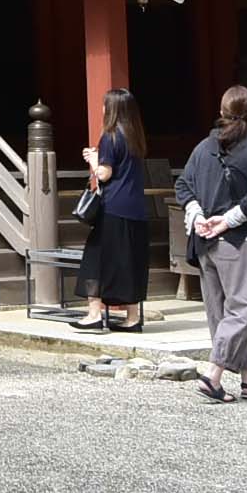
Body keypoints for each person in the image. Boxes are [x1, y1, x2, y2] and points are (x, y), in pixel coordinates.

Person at [176, 84, 247, 402]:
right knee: (242, 309)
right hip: (239, 241)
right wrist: (228, 220)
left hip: (205, 240)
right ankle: (214, 374)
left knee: (220, 313)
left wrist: (197, 216)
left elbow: (183, 184)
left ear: (221, 113)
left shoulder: (204, 146)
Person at [76, 88, 151, 333]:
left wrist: (93, 160)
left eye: (105, 105)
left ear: (112, 110)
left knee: (94, 259)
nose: (102, 109)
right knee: (130, 261)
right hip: (137, 209)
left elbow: (104, 174)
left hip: (114, 209)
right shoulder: (135, 137)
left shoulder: (110, 136)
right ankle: (132, 317)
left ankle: (94, 313)